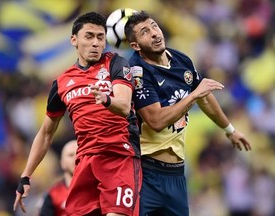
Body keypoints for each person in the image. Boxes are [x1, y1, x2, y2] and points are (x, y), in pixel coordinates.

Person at [13, 12, 142, 216]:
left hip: (118, 156)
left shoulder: (116, 64)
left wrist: (106, 100)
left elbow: (125, 105)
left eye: (100, 37)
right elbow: (46, 133)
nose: (95, 43)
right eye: (89, 36)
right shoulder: (62, 82)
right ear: (74, 40)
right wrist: (26, 176)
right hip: (85, 163)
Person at [124, 10, 252, 216]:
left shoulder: (180, 59)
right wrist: (192, 97)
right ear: (135, 45)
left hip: (176, 174)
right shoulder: (137, 70)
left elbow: (206, 97)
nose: (155, 33)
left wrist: (229, 129)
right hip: (145, 172)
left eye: (154, 26)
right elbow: (155, 120)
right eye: (145, 32)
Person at [38, 139, 77, 216]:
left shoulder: (96, 189)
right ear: (62, 163)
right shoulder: (53, 195)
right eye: (70, 155)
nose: (75, 158)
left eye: (79, 154)